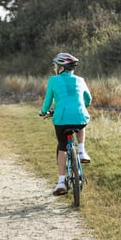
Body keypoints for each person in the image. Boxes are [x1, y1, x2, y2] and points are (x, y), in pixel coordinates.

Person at [39, 53, 92, 196]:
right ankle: (81, 151)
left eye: (56, 65)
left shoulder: (53, 80)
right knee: (82, 123)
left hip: (61, 119)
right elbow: (88, 99)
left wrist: (44, 112)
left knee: (62, 146)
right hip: (80, 116)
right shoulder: (80, 80)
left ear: (61, 67)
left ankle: (61, 181)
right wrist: (83, 105)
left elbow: (48, 100)